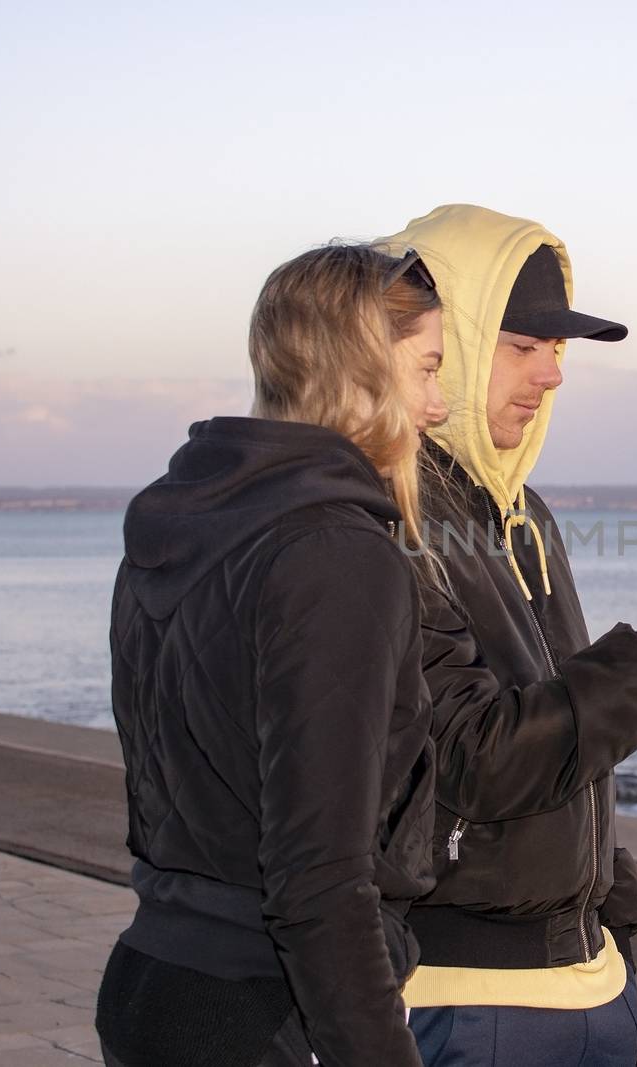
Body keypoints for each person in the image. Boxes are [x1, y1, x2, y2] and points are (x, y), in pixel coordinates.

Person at [382, 204, 637, 1066]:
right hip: (462, 995)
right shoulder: (390, 516)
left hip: (588, 984)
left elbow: (563, 737)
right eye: (522, 345)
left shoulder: (522, 516)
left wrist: (614, 920)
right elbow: (475, 757)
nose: (552, 376)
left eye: (559, 351)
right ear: (434, 338)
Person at [95, 243, 447, 1067]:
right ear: (361, 371)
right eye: (426, 369)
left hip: (153, 984)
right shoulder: (337, 553)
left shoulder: (181, 524)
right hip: (259, 1015)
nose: (438, 404)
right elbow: (319, 881)